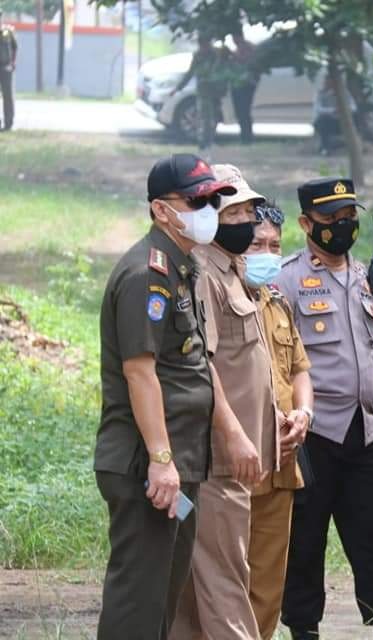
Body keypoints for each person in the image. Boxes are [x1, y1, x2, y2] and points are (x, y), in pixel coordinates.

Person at [95, 153, 261, 639]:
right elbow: (140, 373)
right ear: (161, 210)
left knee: (166, 589)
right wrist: (161, 459)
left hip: (184, 469)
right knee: (138, 598)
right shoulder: (147, 275)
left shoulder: (182, 267)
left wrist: (228, 431)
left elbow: (195, 367)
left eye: (213, 199)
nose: (208, 209)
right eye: (197, 200)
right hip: (150, 470)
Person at [277, 178, 373, 640]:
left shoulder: (365, 277)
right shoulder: (286, 280)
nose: (342, 226)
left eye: (349, 216)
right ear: (306, 223)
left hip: (365, 434)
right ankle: (304, 630)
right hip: (312, 435)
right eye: (331, 219)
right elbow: (277, 364)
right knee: (304, 544)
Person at [171, 163, 277, 639]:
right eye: (233, 212)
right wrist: (234, 436)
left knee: (202, 584)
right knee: (226, 581)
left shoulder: (234, 271)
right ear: (211, 214)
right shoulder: (203, 275)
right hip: (217, 459)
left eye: (250, 211)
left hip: (237, 458)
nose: (245, 221)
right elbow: (204, 365)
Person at [245, 200, 312, 638]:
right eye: (257, 244)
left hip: (282, 463)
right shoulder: (215, 299)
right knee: (221, 580)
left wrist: (303, 412)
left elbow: (300, 369)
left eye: (275, 245)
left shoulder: (276, 303)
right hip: (236, 463)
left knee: (268, 587)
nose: (267, 254)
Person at [174, 33, 226, 149]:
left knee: (213, 118)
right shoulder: (198, 56)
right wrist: (178, 88)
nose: (204, 47)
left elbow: (220, 71)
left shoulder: (215, 55)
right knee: (205, 117)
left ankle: (209, 140)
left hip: (215, 91)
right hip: (203, 91)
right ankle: (203, 142)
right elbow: (190, 73)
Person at [229, 28, 260, 144]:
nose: (233, 40)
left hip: (247, 84)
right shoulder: (237, 49)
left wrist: (233, 56)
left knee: (244, 111)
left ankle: (247, 138)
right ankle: (244, 137)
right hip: (237, 83)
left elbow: (248, 62)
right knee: (239, 112)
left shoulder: (249, 48)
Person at [0, 10, 16, 131]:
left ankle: (8, 123)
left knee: (8, 97)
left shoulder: (8, 32)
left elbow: (15, 48)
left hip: (6, 68)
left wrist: (12, 64)